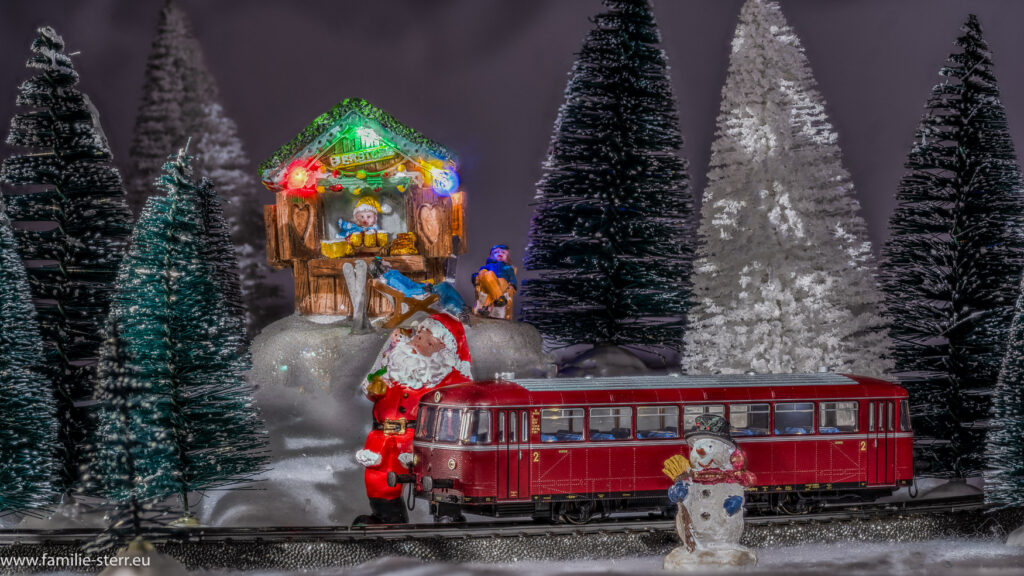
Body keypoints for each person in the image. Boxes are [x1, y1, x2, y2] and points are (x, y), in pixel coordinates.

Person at [354, 313, 473, 524]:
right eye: (419, 337)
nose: (419, 344)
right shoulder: (393, 366)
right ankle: (387, 518)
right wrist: (376, 385)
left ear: (444, 351)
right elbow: (369, 390)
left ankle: (447, 514)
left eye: (429, 342)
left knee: (440, 476)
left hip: (423, 440)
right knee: (379, 479)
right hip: (384, 437)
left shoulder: (446, 377)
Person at [472, 244, 518, 319]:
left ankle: (486, 307)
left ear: (507, 256)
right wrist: (475, 277)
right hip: (488, 283)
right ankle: (499, 298)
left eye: (503, 252)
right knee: (488, 274)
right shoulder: (487, 266)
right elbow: (479, 275)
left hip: (502, 284)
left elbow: (513, 279)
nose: (500, 253)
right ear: (492, 256)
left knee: (500, 280)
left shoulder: (508, 268)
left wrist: (512, 286)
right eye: (496, 252)